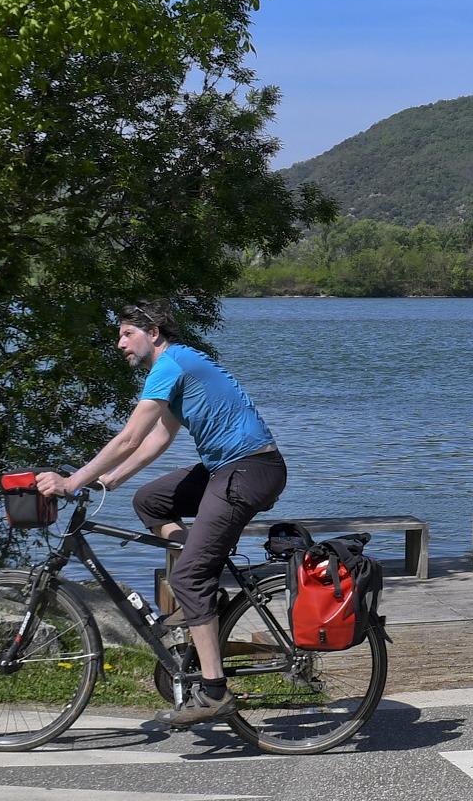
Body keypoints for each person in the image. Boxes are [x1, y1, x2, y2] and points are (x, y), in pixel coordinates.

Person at [36, 301, 286, 726]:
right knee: (150, 501)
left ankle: (214, 691)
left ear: (153, 333)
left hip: (249, 469)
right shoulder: (177, 364)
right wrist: (110, 480)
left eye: (126, 334)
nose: (120, 343)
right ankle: (204, 583)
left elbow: (130, 437)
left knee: (187, 578)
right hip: (231, 469)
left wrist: (72, 481)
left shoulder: (170, 363)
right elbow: (157, 439)